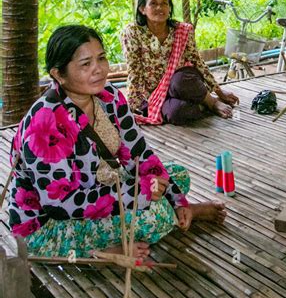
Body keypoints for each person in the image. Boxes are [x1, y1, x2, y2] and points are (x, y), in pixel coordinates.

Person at [8, 25, 226, 259]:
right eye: (85, 64)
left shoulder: (108, 95)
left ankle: (179, 209)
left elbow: (139, 152)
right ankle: (100, 251)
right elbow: (60, 205)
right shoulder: (44, 123)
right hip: (50, 224)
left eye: (101, 58)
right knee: (155, 215)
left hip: (100, 186)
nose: (99, 70)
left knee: (176, 176)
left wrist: (176, 197)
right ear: (58, 75)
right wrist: (135, 194)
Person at [120, 0, 239, 126]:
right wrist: (132, 106)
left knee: (181, 81)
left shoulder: (181, 30)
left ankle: (211, 102)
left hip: (181, 82)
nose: (160, 8)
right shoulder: (132, 32)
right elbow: (134, 72)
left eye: (164, 3)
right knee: (176, 113)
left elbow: (197, 62)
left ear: (169, 8)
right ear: (142, 9)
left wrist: (219, 92)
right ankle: (199, 103)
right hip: (154, 93)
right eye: (153, 3)